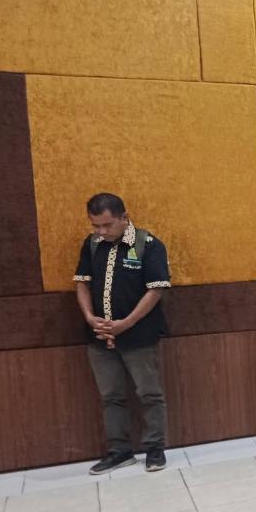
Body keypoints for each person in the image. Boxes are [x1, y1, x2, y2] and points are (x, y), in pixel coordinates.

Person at [74, 193, 171, 475]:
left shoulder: (148, 245)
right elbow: (82, 283)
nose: (101, 232)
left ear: (124, 218)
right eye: (96, 226)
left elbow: (156, 290)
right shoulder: (92, 244)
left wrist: (125, 323)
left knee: (149, 393)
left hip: (139, 336)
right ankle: (120, 451)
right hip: (100, 337)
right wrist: (89, 317)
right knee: (111, 396)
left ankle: (155, 448)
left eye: (107, 225)